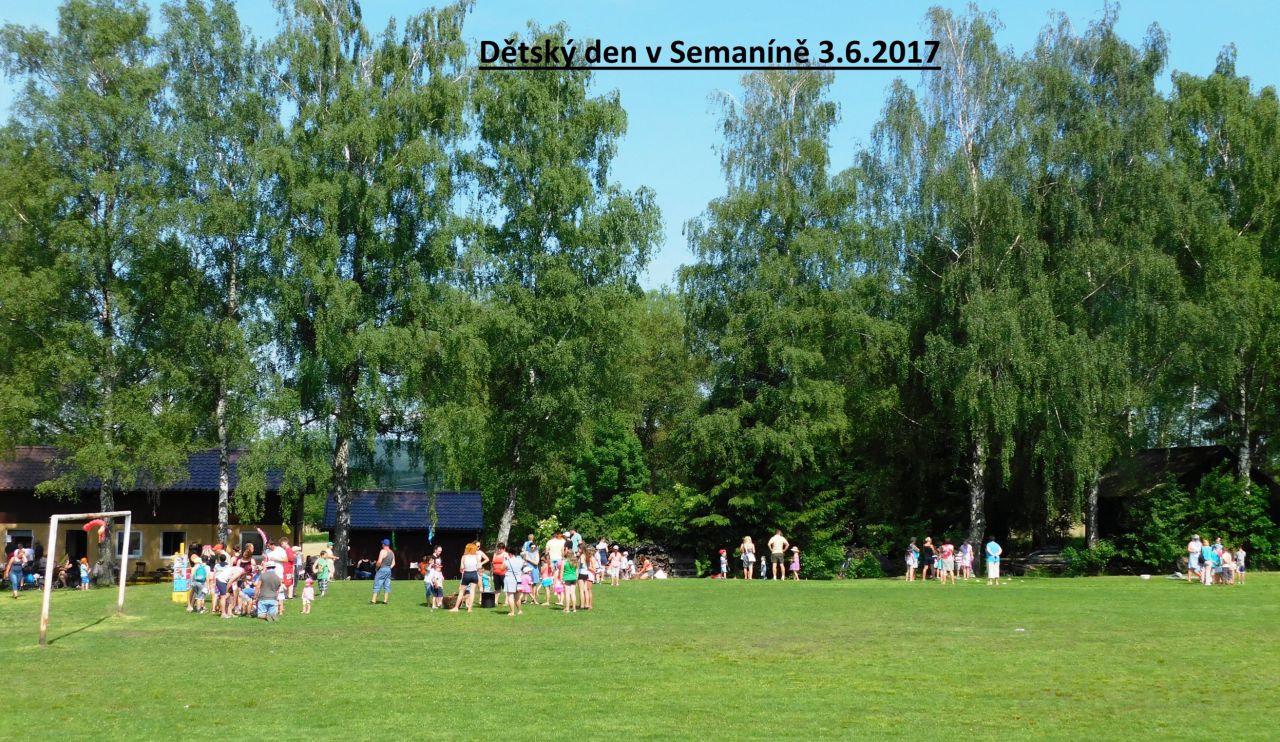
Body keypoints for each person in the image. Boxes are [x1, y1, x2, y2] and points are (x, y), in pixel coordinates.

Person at [451, 542, 487, 613]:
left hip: (466, 574)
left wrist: (463, 569)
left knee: (461, 592)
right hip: (474, 574)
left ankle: (456, 608)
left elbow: (461, 568)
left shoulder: (464, 557)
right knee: (472, 591)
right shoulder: (476, 557)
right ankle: (469, 609)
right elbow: (478, 567)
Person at [371, 539, 395, 605]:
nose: (382, 545)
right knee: (387, 585)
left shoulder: (382, 551)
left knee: (377, 584)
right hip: (388, 570)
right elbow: (393, 563)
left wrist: (376, 568)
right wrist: (388, 568)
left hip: (382, 569)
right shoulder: (392, 552)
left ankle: (373, 600)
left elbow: (379, 562)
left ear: (384, 544)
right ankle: (385, 601)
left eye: (382, 544)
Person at [504, 549, 525, 615]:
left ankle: (512, 612)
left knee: (510, 595)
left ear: (510, 554)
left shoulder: (507, 561)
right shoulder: (521, 560)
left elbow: (502, 568)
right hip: (518, 579)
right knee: (517, 596)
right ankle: (519, 610)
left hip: (509, 579)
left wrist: (505, 559)